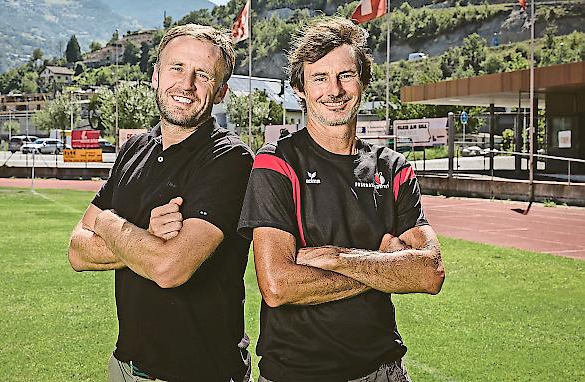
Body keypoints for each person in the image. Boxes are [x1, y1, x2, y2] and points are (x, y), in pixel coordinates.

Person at [237, 17, 445, 382]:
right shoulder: (276, 163)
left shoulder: (392, 168)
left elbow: (430, 273)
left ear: (363, 80)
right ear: (300, 88)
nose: (334, 90)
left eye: (345, 75)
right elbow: (277, 285)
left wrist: (336, 257)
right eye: (319, 77)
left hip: (383, 370)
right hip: (296, 373)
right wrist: (386, 267)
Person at [68, 24, 253, 382]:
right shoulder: (134, 149)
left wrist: (107, 223)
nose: (186, 84)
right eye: (177, 68)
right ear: (155, 75)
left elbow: (170, 268)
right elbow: (77, 251)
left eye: (203, 74)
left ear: (220, 93)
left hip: (202, 372)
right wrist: (142, 237)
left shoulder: (230, 159)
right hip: (125, 368)